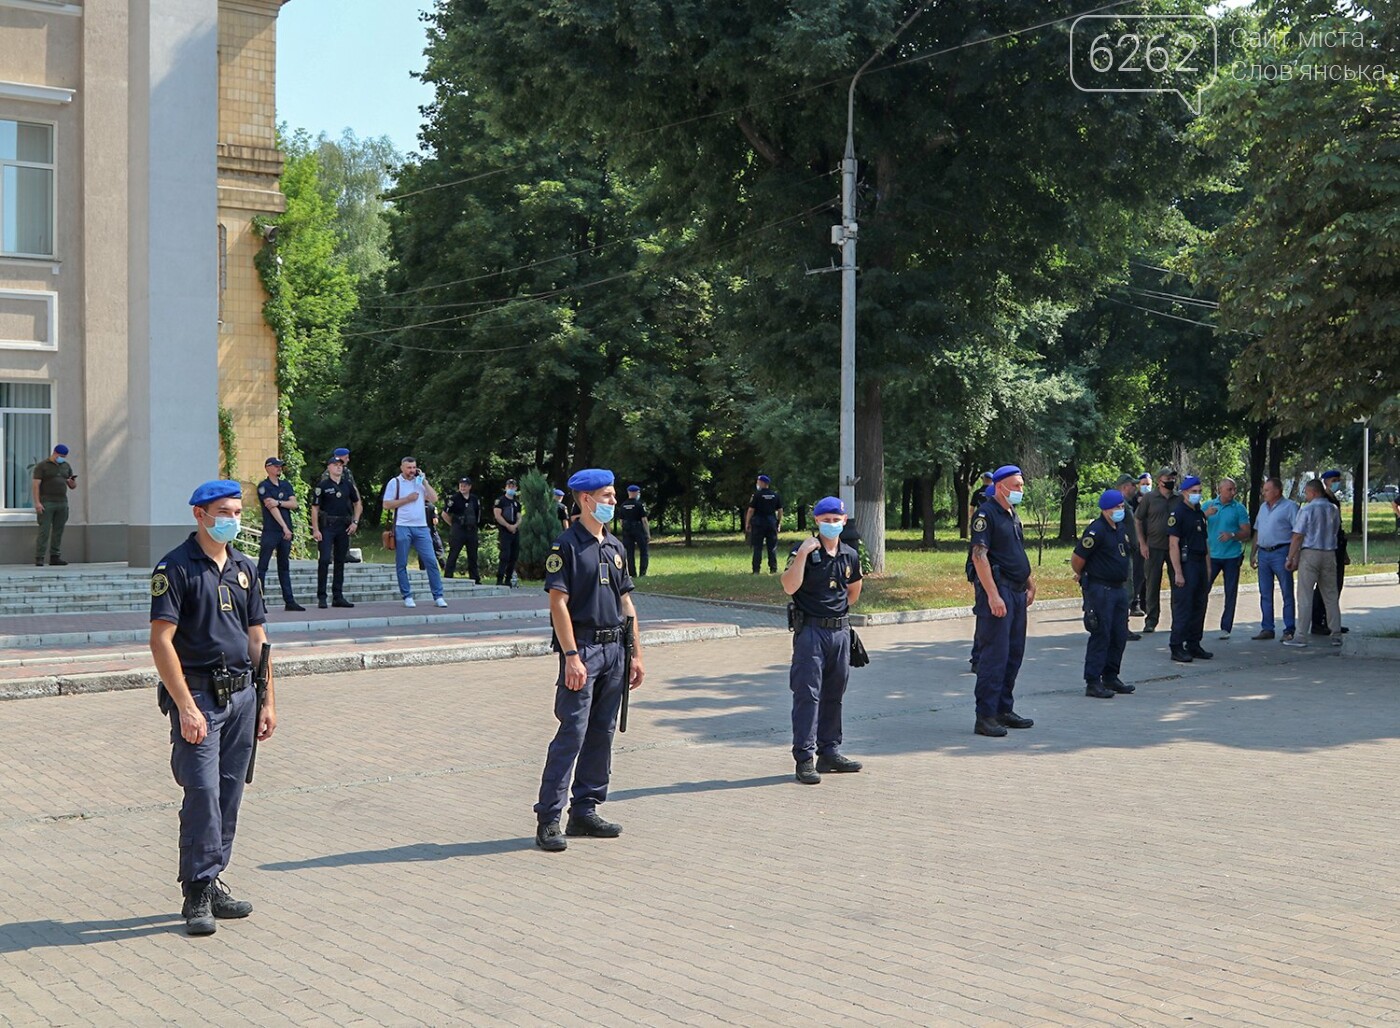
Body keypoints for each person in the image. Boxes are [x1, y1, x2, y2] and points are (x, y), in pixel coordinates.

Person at [148, 480, 275, 936]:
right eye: (224, 512)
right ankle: (196, 889)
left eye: (238, 512)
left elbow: (258, 638)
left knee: (228, 794)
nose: (233, 520)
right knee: (201, 793)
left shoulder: (244, 566)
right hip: (199, 696)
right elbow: (161, 641)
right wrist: (185, 706)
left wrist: (266, 701)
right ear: (199, 515)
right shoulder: (176, 567)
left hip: (242, 695)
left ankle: (214, 877)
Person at [533, 468, 645, 852]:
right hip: (583, 650)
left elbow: (626, 603)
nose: (614, 502)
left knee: (602, 732)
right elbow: (557, 604)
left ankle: (585, 809)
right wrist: (571, 657)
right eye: (608, 496)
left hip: (615, 649)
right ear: (586, 499)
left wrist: (636, 654)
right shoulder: (565, 546)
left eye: (613, 496)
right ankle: (549, 817)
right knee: (573, 733)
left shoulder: (615, 547)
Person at [782, 496, 864, 784]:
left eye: (836, 520)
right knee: (807, 695)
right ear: (816, 521)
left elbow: (853, 590)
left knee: (834, 694)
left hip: (839, 632)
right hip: (811, 633)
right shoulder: (803, 550)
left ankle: (829, 752)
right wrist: (803, 553)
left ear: (844, 521)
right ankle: (804, 758)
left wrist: (839, 618)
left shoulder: (849, 554)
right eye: (825, 520)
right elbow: (789, 585)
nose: (831, 524)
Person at [968, 465, 1037, 737]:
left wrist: (1030, 583)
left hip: (1017, 591)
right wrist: (993, 595)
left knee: (1013, 654)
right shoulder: (986, 514)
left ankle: (1003, 709)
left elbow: (1016, 552)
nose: (1021, 490)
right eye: (1017, 485)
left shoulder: (1012, 514)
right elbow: (979, 556)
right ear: (1001, 486)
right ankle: (985, 716)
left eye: (1022, 485)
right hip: (999, 592)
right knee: (994, 656)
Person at [1071, 489, 1135, 699]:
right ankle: (1093, 681)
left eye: (1121, 506)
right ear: (1106, 509)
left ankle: (1111, 676)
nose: (1120, 510)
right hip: (1101, 590)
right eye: (1117, 507)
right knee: (1102, 634)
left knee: (1119, 634)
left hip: (1118, 589)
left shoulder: (1119, 528)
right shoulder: (1096, 531)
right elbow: (1078, 558)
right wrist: (1082, 574)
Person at [1284, 479, 1343, 648]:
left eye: (1307, 492)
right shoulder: (1333, 509)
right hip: (1329, 553)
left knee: (1305, 595)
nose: (1306, 495)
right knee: (1330, 595)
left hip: (1310, 553)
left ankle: (1301, 635)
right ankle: (1336, 633)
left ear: (1314, 492)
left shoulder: (1307, 509)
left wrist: (1290, 557)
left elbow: (1297, 535)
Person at [383, 456, 446, 609]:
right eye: (409, 468)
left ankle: (438, 596)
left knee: (431, 560)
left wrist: (424, 481)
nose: (411, 471)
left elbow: (434, 498)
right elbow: (386, 504)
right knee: (402, 562)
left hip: (422, 527)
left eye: (414, 468)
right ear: (402, 468)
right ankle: (407, 595)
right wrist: (407, 499)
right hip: (402, 526)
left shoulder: (419, 482)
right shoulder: (395, 482)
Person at [1167, 475, 1212, 663]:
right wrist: (1177, 571)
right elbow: (1173, 545)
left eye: (1200, 492)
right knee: (1183, 606)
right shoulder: (1178, 514)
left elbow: (1205, 542)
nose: (1197, 495)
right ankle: (1176, 646)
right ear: (1184, 493)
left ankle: (1194, 643)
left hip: (1200, 563)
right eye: (1194, 492)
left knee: (1199, 605)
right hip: (1187, 564)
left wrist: (1208, 568)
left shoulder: (1199, 513)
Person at [1250, 477, 1299, 641]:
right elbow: (1257, 530)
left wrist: (1293, 556)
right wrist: (1253, 552)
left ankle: (1289, 628)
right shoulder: (1263, 507)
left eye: (1267, 490)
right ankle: (1267, 628)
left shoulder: (1290, 507)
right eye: (1263, 490)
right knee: (1265, 592)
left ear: (1277, 491)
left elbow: (1297, 533)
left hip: (1281, 552)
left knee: (1287, 592)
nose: (1263, 493)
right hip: (1263, 553)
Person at [1202, 478, 1251, 640]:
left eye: (1234, 489)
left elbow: (1247, 532)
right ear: (1219, 489)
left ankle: (1226, 627)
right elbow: (1193, 523)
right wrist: (1204, 515)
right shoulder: (1208, 505)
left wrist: (1233, 535)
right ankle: (1197, 623)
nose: (1232, 492)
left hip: (1232, 556)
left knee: (1230, 592)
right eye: (1229, 489)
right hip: (1211, 557)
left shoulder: (1239, 508)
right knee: (1203, 590)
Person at [254, 458, 305, 611]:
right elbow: (271, 507)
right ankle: (258, 601)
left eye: (280, 466)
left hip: (285, 531)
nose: (279, 468)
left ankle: (289, 601)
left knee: (284, 566)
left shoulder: (286, 485)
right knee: (262, 566)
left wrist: (279, 502)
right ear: (267, 468)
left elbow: (294, 504)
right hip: (272, 530)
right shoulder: (264, 486)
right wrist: (284, 527)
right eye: (276, 466)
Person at [310, 457, 360, 609]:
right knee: (324, 560)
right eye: (335, 465)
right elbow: (315, 508)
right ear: (329, 467)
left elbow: (357, 503)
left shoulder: (347, 485)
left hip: (343, 525)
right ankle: (322, 596)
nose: (339, 468)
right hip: (327, 526)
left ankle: (338, 596)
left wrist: (355, 522)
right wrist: (316, 529)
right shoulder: (323, 486)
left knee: (340, 561)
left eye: (340, 465)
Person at [1136, 467, 1178, 633]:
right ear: (1160, 480)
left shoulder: (1179, 498)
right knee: (1152, 584)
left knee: (1177, 583)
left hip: (1174, 547)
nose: (1171, 482)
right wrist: (1142, 543)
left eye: (1173, 479)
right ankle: (1151, 620)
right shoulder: (1149, 498)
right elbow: (1138, 520)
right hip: (1153, 546)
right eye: (1168, 478)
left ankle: (1178, 620)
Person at [1312, 469, 1350, 636]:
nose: (1337, 483)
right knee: (1324, 587)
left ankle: (1331, 621)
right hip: (1327, 547)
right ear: (1326, 481)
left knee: (1336, 586)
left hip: (1338, 545)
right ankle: (1318, 622)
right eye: (1334, 480)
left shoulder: (1334, 499)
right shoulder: (1323, 499)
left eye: (1338, 480)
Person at [32, 443, 77, 566]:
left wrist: (71, 482)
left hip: (62, 502)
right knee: (44, 530)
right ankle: (40, 557)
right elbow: (36, 485)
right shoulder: (42, 466)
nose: (62, 458)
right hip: (47, 502)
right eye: (61, 455)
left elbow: (72, 486)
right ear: (55, 453)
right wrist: (37, 503)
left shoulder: (66, 466)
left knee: (58, 530)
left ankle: (55, 556)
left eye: (64, 456)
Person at [1113, 473, 1144, 641]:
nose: (1135, 488)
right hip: (1123, 553)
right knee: (1127, 590)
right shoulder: (1119, 506)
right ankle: (1121, 628)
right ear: (1125, 487)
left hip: (1128, 552)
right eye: (1133, 485)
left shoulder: (1125, 504)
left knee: (1128, 589)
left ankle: (1121, 626)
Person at [443, 477, 482, 583]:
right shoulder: (454, 498)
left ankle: (475, 578)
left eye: (465, 485)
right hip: (458, 530)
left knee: (473, 555)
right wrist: (453, 524)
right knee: (454, 553)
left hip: (471, 529)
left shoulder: (474, 499)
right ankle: (448, 576)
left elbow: (478, 514)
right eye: (461, 485)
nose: (463, 487)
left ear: (470, 486)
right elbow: (445, 513)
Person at [745, 474, 784, 574]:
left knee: (757, 547)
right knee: (772, 547)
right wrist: (778, 522)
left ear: (762, 483)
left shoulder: (757, 495)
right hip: (771, 523)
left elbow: (750, 510)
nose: (757, 484)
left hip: (758, 524)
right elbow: (780, 511)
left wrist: (747, 523)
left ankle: (756, 570)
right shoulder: (775, 495)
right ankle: (773, 569)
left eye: (758, 482)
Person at [332, 448, 363, 563]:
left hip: (347, 504)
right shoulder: (329, 471)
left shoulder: (347, 472)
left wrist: (358, 502)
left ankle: (346, 553)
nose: (348, 460)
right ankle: (332, 554)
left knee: (347, 527)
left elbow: (353, 487)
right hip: (334, 506)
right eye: (346, 457)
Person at [1129, 472, 1152, 616]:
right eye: (1143, 484)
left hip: (1153, 540)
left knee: (1148, 574)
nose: (1145, 487)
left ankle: (1146, 602)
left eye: (1148, 484)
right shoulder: (1132, 500)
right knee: (1137, 572)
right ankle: (1134, 602)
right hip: (1138, 541)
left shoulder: (1155, 498)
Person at [617, 484, 650, 578]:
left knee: (629, 553)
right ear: (636, 493)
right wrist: (647, 534)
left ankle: (632, 574)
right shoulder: (639, 505)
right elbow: (644, 520)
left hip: (627, 531)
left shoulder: (623, 505)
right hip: (638, 529)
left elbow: (621, 521)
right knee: (644, 551)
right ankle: (642, 573)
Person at [494, 478, 522, 586]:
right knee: (505, 555)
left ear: (516, 488)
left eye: (513, 486)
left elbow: (519, 517)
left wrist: (515, 526)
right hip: (504, 530)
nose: (511, 488)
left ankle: (508, 579)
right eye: (509, 486)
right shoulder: (500, 501)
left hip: (514, 530)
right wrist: (508, 525)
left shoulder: (516, 503)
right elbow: (497, 515)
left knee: (514, 556)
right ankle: (500, 579)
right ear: (506, 487)